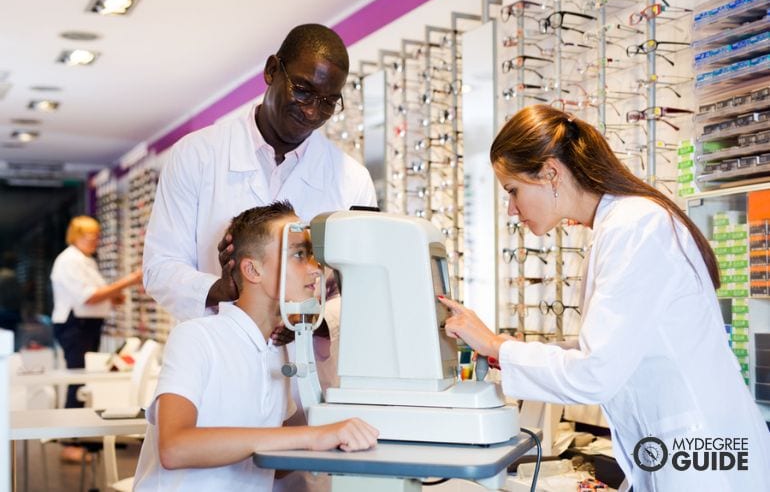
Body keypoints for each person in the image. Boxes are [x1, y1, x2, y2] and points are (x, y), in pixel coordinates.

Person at [438, 105, 770, 491]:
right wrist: (501, 350)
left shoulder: (635, 225)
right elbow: (615, 345)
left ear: (550, 172)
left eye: (513, 191)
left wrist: (497, 344)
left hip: (703, 458)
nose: (512, 209)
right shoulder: (621, 224)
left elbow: (595, 373)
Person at [142, 24, 376, 491]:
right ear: (272, 71)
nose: (312, 110)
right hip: (216, 369)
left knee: (278, 472)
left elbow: (360, 285)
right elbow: (160, 267)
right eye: (303, 90)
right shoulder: (199, 155)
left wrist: (310, 312)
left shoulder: (350, 180)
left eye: (328, 101)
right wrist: (223, 289)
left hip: (296, 372)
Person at [133, 201, 378, 491]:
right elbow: (175, 448)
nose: (316, 270)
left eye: (314, 256)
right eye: (300, 255)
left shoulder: (279, 350)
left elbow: (272, 467)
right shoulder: (196, 337)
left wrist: (342, 432)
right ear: (252, 269)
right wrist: (312, 436)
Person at [50, 215, 142, 462]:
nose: (95, 241)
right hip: (75, 326)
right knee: (78, 380)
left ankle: (80, 437)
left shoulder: (85, 261)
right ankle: (69, 444)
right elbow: (88, 297)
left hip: (86, 325)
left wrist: (113, 296)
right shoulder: (69, 261)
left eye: (97, 237)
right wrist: (130, 280)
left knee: (84, 379)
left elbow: (98, 295)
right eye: (90, 236)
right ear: (76, 236)